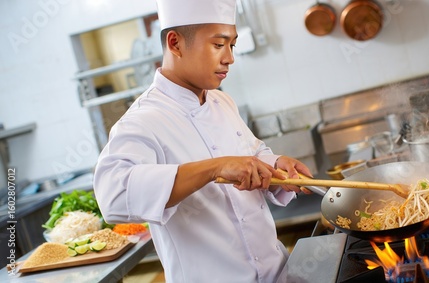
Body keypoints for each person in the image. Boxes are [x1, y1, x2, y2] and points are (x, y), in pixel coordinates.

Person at [93, 0, 313, 282]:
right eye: (218, 44)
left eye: (232, 45)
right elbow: (113, 196)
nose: (230, 58)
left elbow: (251, 152)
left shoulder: (221, 101)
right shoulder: (142, 120)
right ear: (175, 43)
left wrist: (276, 163)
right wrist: (214, 168)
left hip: (277, 272)